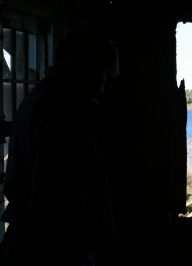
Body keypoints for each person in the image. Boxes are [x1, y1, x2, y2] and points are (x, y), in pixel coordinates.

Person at [0, 29, 119, 266]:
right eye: (103, 77)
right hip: (48, 250)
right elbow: (58, 200)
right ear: (88, 70)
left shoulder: (40, 100)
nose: (102, 89)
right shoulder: (64, 114)